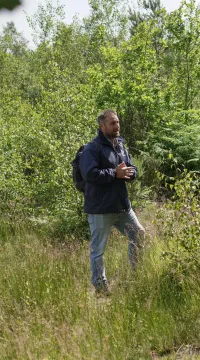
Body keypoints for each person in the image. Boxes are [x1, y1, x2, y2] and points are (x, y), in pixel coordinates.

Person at [80, 109, 144, 295]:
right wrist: (114, 174)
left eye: (117, 122)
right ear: (102, 126)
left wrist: (131, 173)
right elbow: (89, 174)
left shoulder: (120, 145)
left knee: (139, 235)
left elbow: (130, 167)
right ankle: (100, 287)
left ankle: (137, 276)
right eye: (112, 123)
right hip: (101, 209)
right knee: (98, 250)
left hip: (122, 207)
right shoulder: (92, 149)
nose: (117, 126)